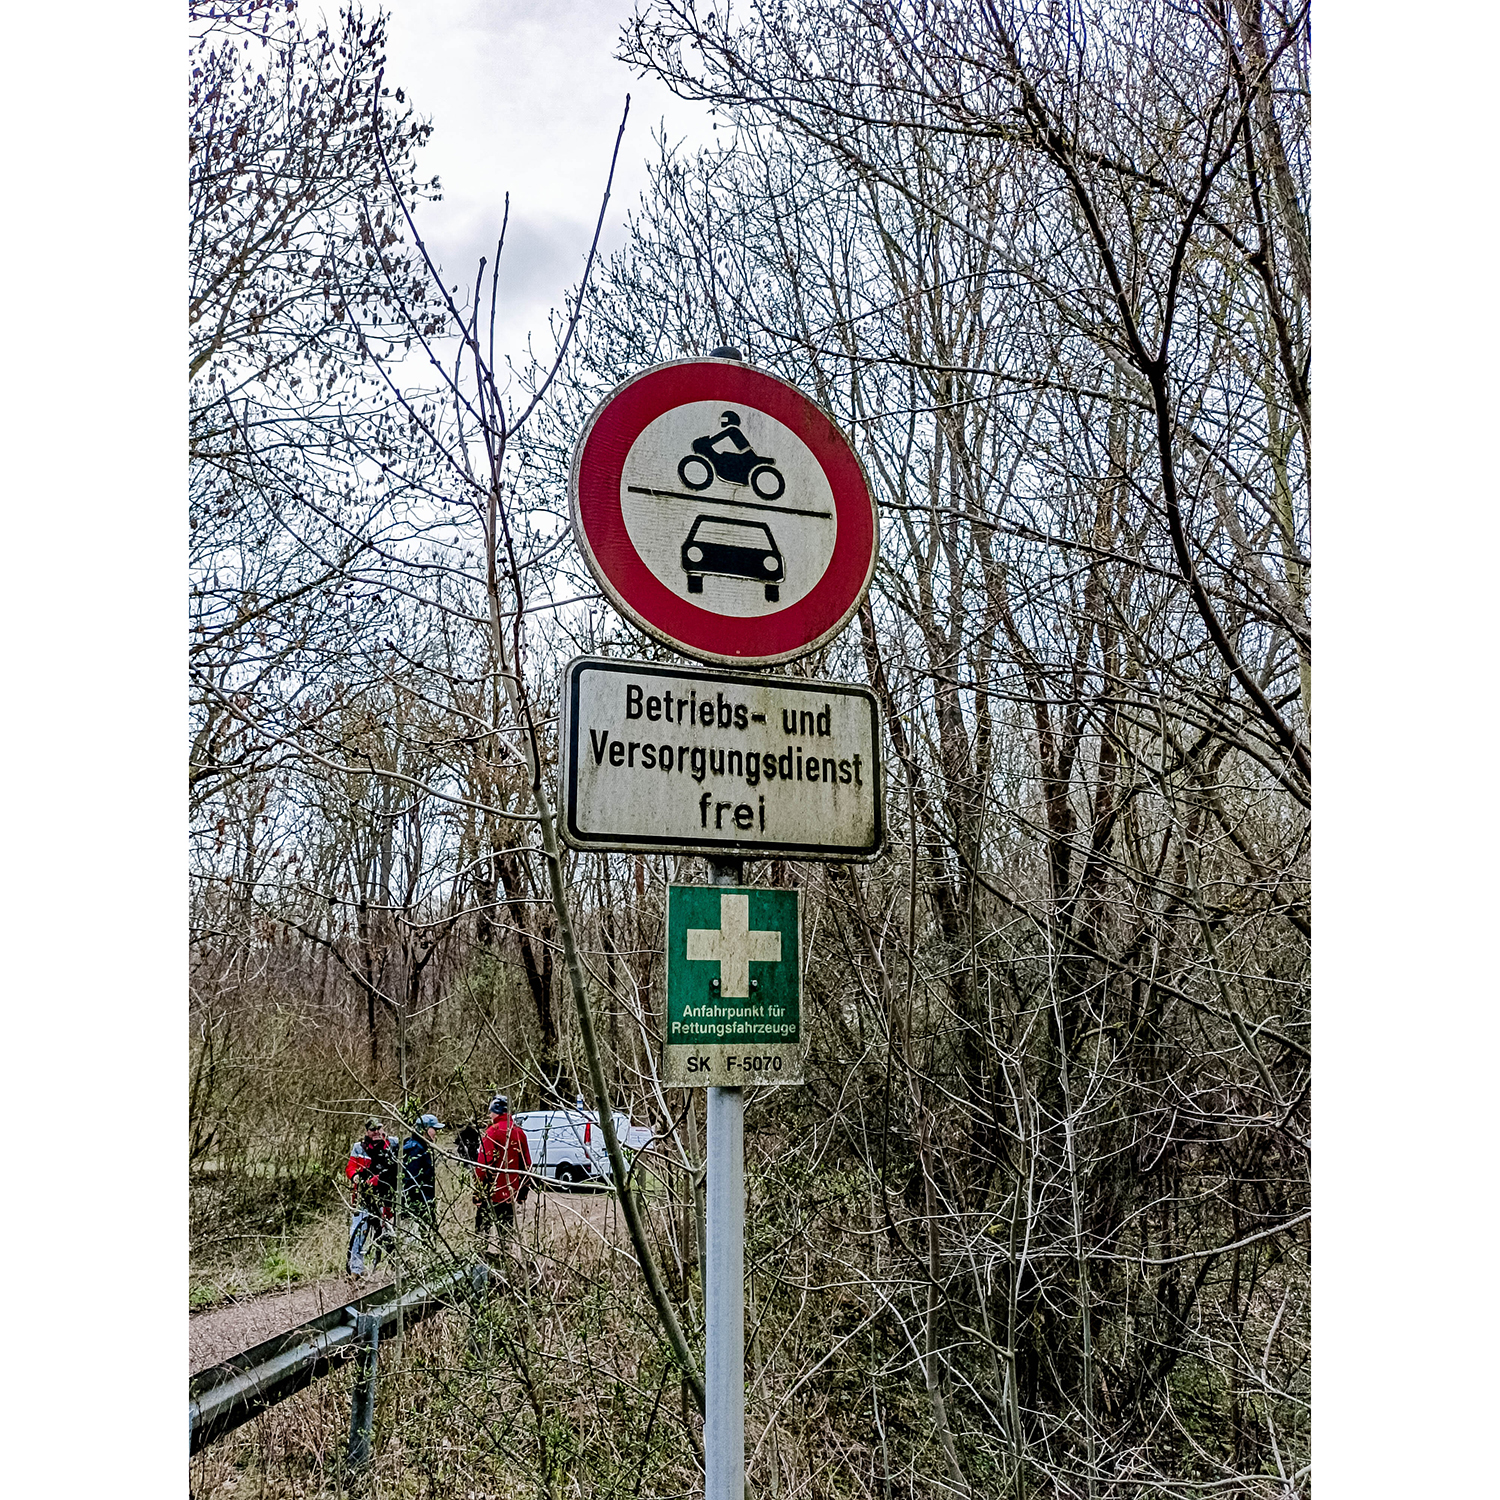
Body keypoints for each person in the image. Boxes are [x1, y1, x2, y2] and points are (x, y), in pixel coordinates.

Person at [475, 1095, 532, 1250]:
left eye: (490, 1112)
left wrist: (478, 1194)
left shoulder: (492, 1132)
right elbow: (527, 1166)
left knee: (481, 1235)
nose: (489, 1116)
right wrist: (522, 1193)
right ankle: (507, 1266)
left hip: (491, 1194)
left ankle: (480, 1266)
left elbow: (483, 1165)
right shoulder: (519, 1133)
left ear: (496, 1112)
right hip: (510, 1194)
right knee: (505, 1237)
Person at [346, 1116, 396, 1275]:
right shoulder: (358, 1148)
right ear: (367, 1131)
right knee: (358, 1234)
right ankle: (356, 1271)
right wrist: (355, 1176)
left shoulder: (393, 1145)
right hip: (363, 1197)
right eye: (372, 1130)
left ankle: (395, 1266)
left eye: (378, 1129)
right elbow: (350, 1167)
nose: (375, 1132)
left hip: (384, 1198)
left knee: (388, 1233)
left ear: (383, 1128)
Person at [399, 1113, 445, 1229]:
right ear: (424, 1130)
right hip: (416, 1209)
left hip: (424, 1205)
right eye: (433, 1129)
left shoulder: (422, 1147)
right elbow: (411, 1182)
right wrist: (419, 1209)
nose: (436, 1132)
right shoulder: (415, 1150)